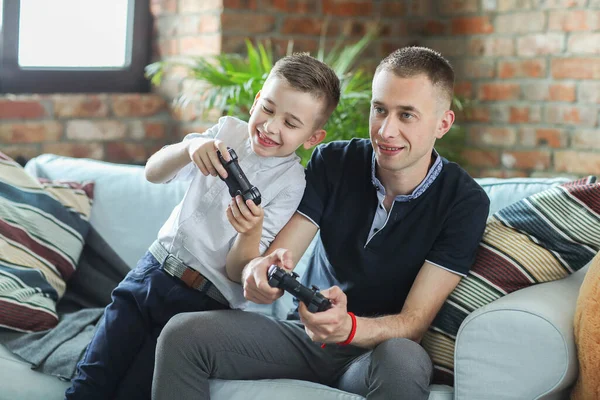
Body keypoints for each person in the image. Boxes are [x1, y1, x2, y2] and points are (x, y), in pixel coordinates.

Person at [152, 46, 490, 400]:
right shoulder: (336, 162)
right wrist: (260, 272)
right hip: (305, 337)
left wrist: (348, 328)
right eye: (380, 110)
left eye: (407, 115)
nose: (386, 131)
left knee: (404, 357)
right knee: (183, 334)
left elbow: (414, 322)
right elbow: (277, 256)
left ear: (443, 123)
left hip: (375, 354)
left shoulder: (464, 202)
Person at [64, 53, 341, 400]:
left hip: (202, 304)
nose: (271, 127)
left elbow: (239, 270)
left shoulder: (291, 184)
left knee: (136, 390)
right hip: (151, 271)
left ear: (313, 137)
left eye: (290, 123)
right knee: (90, 379)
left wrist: (249, 231)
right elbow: (153, 172)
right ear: (256, 101)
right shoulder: (226, 131)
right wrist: (189, 147)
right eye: (268, 109)